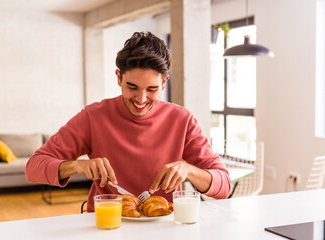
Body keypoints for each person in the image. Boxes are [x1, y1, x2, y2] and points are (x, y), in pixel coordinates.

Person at [25, 32, 231, 212]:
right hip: (106, 224)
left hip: (163, 226)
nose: (141, 99)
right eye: (132, 87)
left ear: (164, 82)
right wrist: (77, 166)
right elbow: (33, 167)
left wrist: (189, 170)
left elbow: (224, 185)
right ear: (118, 78)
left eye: (151, 89)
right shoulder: (93, 116)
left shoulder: (183, 120)